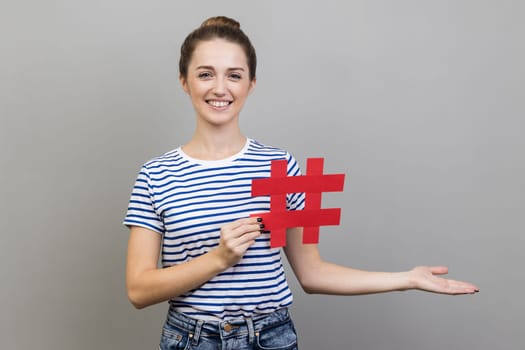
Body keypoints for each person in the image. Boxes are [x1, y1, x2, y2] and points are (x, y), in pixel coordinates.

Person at [124, 16, 479, 350]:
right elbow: (139, 289)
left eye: (234, 75)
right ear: (184, 81)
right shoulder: (156, 175)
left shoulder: (281, 167)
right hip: (191, 339)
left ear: (251, 83)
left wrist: (407, 279)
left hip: (269, 338)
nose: (220, 88)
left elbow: (312, 273)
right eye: (205, 74)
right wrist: (218, 259)